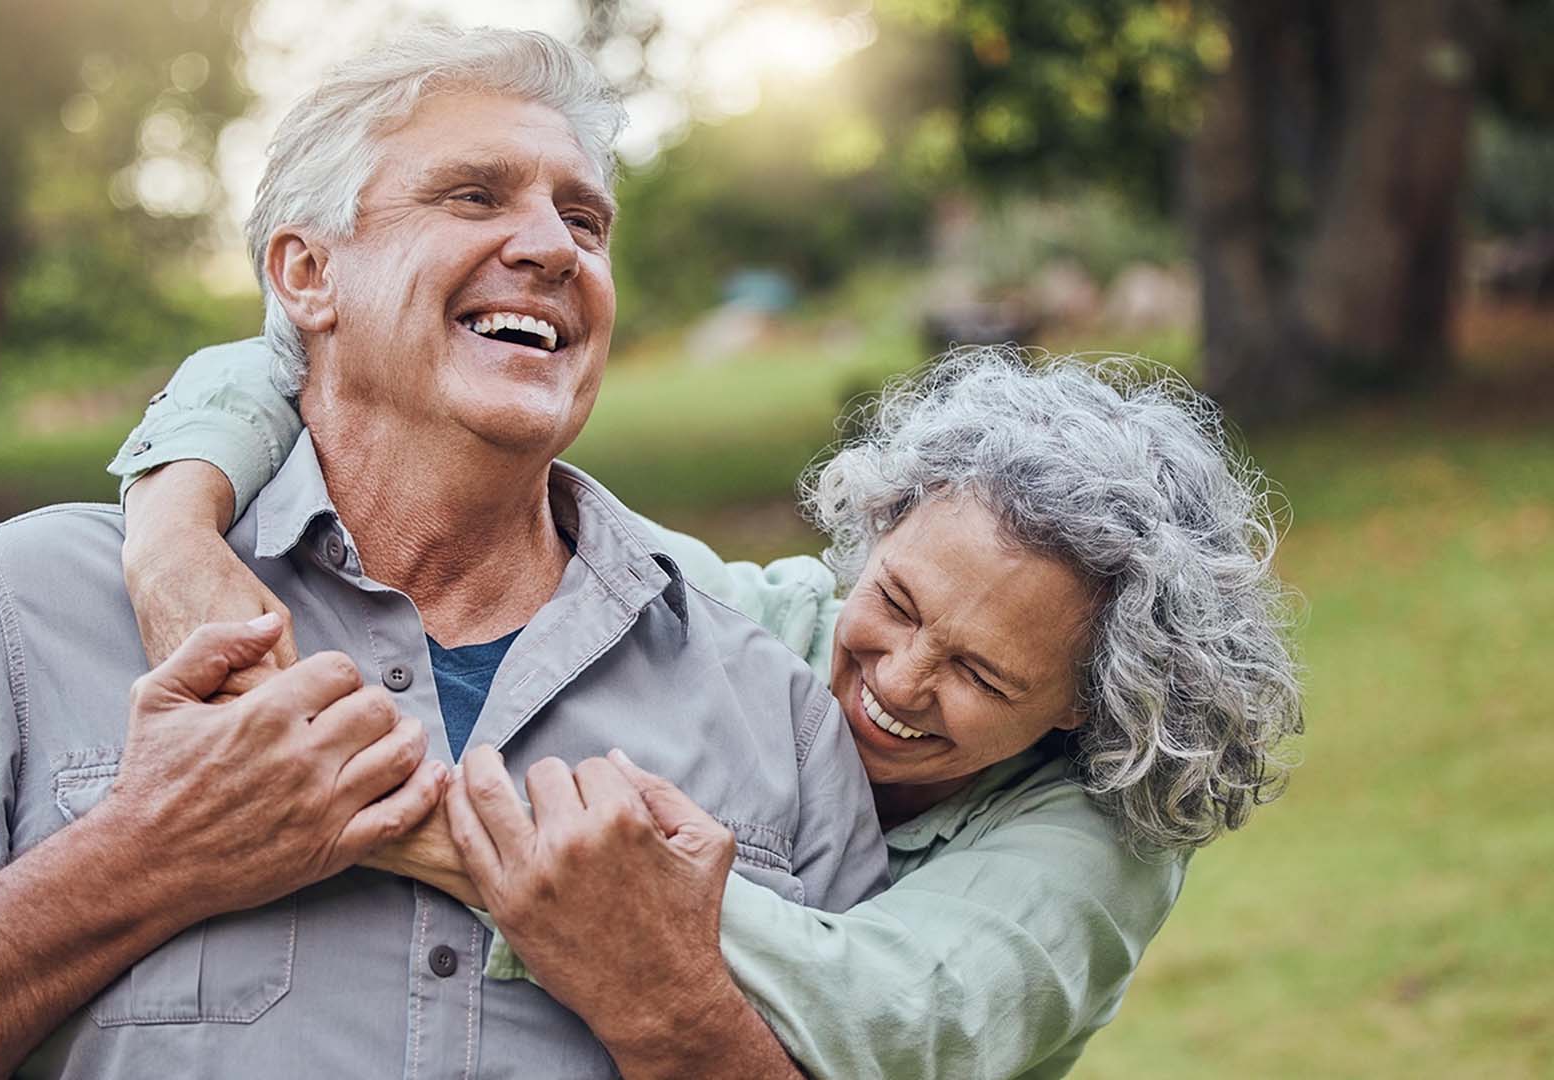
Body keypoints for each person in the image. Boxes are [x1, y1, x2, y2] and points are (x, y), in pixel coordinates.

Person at [0, 28, 888, 1080]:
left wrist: (673, 1015)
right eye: (475, 196)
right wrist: (146, 856)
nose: (550, 246)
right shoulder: (34, 604)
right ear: (306, 274)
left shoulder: (771, 710)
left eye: (584, 221)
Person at [113, 345, 1304, 1079]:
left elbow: (887, 1021)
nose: (894, 681)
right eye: (892, 602)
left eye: (981, 677)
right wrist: (173, 534)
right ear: (873, 530)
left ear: (1084, 712)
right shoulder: (753, 625)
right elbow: (287, 348)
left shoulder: (1100, 840)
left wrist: (422, 832)